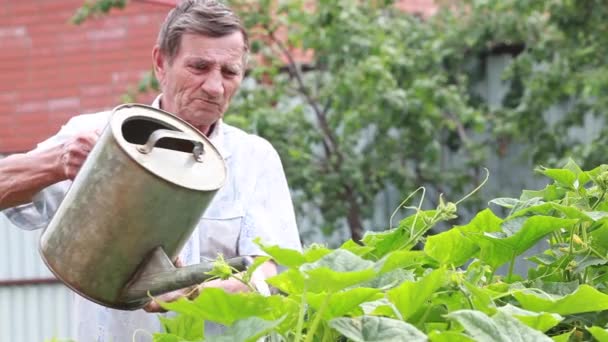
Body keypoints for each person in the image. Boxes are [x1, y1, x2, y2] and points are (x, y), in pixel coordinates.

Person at [0, 0, 302, 340]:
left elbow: (271, 277)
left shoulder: (254, 158)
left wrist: (196, 294)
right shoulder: (106, 137)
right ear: (161, 63)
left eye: (229, 72)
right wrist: (56, 163)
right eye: (199, 67)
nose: (215, 87)